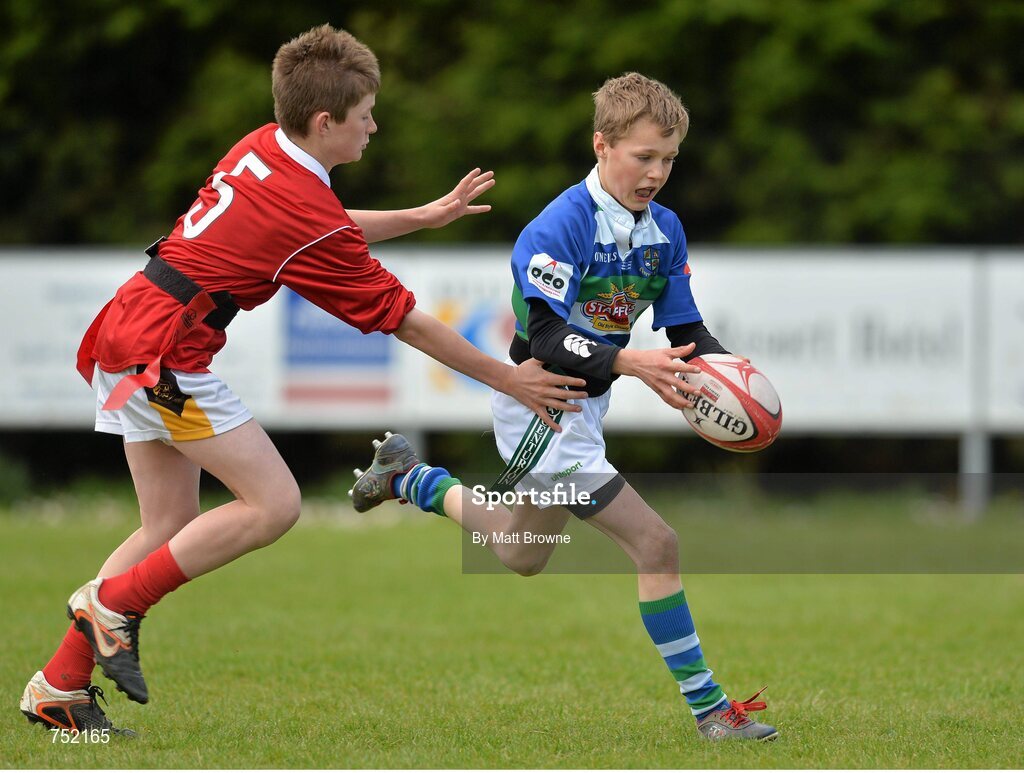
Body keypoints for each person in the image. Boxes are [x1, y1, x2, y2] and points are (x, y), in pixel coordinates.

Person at [19, 24, 587, 736]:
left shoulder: (265, 145)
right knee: (275, 503)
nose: (373, 126)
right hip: (162, 356)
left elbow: (323, 225)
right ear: (325, 122)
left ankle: (59, 685)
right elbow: (405, 319)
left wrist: (423, 215)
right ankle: (111, 606)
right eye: (365, 115)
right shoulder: (303, 209)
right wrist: (509, 378)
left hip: (131, 332)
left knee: (167, 526)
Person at [351, 73, 778, 741]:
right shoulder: (560, 225)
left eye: (669, 159)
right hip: (540, 403)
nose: (657, 173)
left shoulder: (665, 230)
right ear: (602, 145)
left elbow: (687, 331)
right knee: (657, 543)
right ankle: (711, 711)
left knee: (522, 552)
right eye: (644, 156)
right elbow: (547, 336)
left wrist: (725, 376)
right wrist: (631, 363)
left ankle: (412, 478)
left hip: (585, 406)